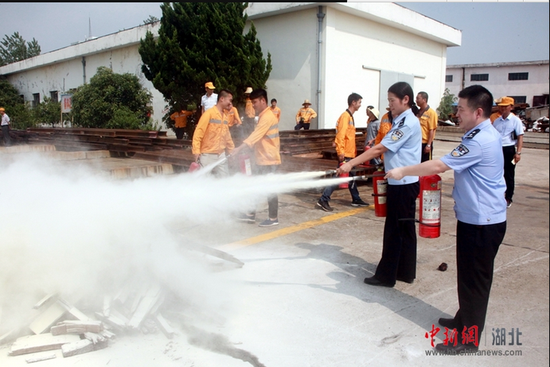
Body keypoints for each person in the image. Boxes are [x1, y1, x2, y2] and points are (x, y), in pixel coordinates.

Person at [385, 85, 507, 354]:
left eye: (461, 109)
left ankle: (469, 339)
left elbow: (439, 165)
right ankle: (464, 320)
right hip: (477, 220)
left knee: (474, 282)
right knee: (468, 276)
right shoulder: (481, 133)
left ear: (477, 112)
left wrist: (403, 170)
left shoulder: (479, 140)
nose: (456, 113)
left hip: (482, 223)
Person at [337, 81, 421, 287]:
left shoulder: (406, 123)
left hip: (402, 185)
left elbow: (379, 149)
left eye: (392, 100)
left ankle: (386, 276)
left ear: (405, 100)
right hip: (406, 182)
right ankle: (405, 271)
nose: (390, 104)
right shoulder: (403, 120)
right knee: (405, 228)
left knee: (394, 230)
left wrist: (350, 164)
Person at [231, 88, 281, 227]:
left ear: (263, 101)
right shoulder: (264, 116)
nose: (253, 105)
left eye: (255, 102)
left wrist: (239, 148)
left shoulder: (268, 117)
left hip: (269, 160)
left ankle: (273, 218)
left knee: (269, 188)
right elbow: (260, 138)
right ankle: (250, 214)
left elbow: (256, 135)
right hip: (262, 158)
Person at [316, 93, 370, 212]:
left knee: (351, 177)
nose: (360, 105)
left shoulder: (350, 117)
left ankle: (356, 198)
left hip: (350, 154)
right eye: (359, 102)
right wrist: (340, 152)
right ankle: (323, 199)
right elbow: (340, 136)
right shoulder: (345, 117)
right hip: (345, 154)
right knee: (338, 177)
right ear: (353, 103)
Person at [192, 89, 235, 177]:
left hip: (221, 154)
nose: (230, 103)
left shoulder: (225, 116)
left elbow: (227, 136)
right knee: (203, 180)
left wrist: (231, 150)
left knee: (225, 179)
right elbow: (198, 133)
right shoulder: (209, 114)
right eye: (229, 100)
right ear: (222, 99)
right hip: (208, 154)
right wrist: (196, 151)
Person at [492, 96, 524, 208]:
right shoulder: (496, 121)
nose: (502, 109)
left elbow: (520, 137)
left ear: (511, 107)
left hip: (509, 149)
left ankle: (508, 197)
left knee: (509, 174)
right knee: (496, 173)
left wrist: (518, 153)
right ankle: (497, 195)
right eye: (501, 107)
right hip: (497, 149)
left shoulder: (516, 121)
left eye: (505, 107)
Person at [416, 92, 438, 162]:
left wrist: (428, 145)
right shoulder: (417, 112)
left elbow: (432, 130)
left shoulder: (431, 113)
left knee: (426, 164)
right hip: (417, 142)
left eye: (418, 98)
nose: (416, 100)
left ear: (424, 100)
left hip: (425, 143)